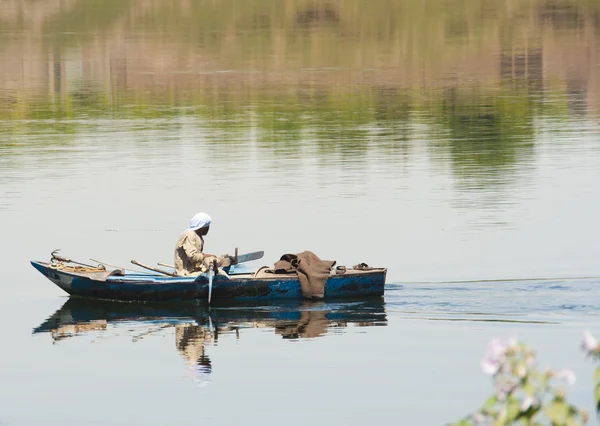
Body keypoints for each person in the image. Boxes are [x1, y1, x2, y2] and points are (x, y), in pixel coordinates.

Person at [174, 212, 223, 276]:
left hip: (196, 269)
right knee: (212, 276)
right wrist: (205, 256)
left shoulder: (198, 236)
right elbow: (192, 256)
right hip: (186, 272)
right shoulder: (190, 234)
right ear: (202, 227)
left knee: (221, 273)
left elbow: (198, 258)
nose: (208, 228)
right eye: (207, 226)